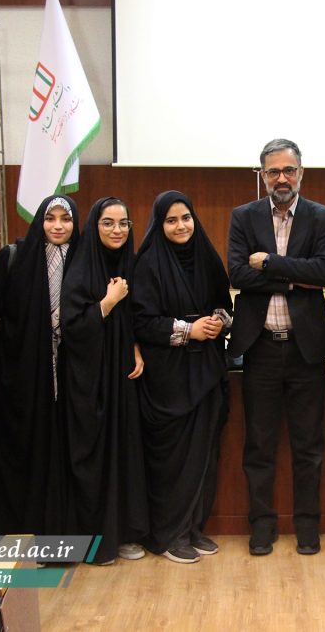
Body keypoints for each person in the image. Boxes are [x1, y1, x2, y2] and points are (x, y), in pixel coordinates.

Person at [227, 138, 325, 556]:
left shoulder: (323, 217)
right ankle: (262, 526)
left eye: (289, 170)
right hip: (259, 348)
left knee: (308, 446)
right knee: (259, 444)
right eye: (273, 171)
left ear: (301, 173)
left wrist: (270, 264)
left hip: (304, 350)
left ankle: (307, 526)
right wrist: (295, 278)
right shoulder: (243, 216)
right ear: (262, 175)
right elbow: (237, 273)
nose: (281, 179)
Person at [133, 191, 232, 564]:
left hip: (206, 372)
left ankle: (192, 528)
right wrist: (189, 330)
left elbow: (225, 305)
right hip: (169, 380)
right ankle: (168, 534)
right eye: (171, 220)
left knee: (204, 455)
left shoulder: (207, 256)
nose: (181, 226)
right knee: (173, 460)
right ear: (159, 225)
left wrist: (218, 322)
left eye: (186, 218)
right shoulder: (147, 264)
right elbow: (142, 322)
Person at [0, 195, 79, 536]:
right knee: (24, 447)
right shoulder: (14, 258)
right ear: (39, 221)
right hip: (21, 376)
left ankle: (61, 526)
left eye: (66, 218)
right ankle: (20, 525)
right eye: (50, 218)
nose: (58, 226)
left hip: (70, 376)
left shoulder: (84, 258)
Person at [61, 197, 148, 565]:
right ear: (94, 226)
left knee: (124, 452)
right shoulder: (81, 267)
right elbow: (72, 327)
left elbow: (138, 317)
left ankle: (123, 533)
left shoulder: (131, 263)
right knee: (94, 457)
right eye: (108, 223)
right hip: (89, 380)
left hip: (122, 377)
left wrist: (135, 346)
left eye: (123, 223)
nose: (117, 230)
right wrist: (107, 302)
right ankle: (96, 542)